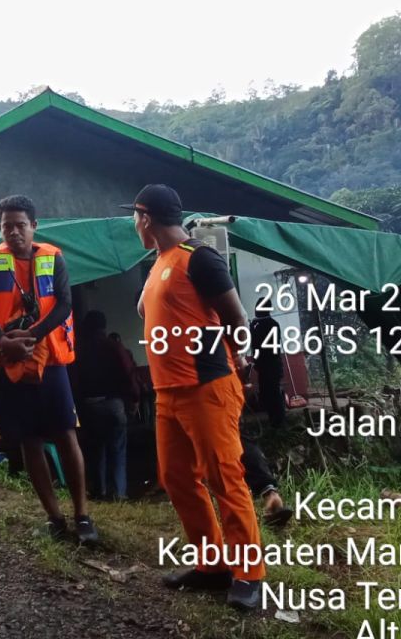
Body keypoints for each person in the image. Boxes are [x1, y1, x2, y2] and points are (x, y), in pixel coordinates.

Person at [124, 184, 264, 608]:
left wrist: (242, 362)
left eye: (135, 217)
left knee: (225, 478)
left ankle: (249, 574)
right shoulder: (157, 264)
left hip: (206, 388)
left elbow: (237, 317)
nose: (134, 224)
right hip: (167, 392)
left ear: (145, 218)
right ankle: (213, 564)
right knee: (177, 479)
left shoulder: (199, 258)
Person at [0, 195, 99, 544]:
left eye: (20, 225)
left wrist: (31, 335)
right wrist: (3, 342)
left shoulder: (53, 258)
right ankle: (54, 518)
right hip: (9, 360)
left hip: (49, 360)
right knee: (29, 439)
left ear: (34, 226)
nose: (13, 232)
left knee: (65, 432)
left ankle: (83, 515)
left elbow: (64, 303)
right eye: (6, 226)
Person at [74, 310, 135, 500]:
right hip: (113, 403)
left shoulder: (78, 350)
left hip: (89, 406)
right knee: (117, 448)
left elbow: (73, 380)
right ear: (104, 326)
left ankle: (99, 490)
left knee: (95, 449)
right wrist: (134, 399)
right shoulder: (113, 346)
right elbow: (128, 372)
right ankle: (119, 492)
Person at [247, 303, 286, 428]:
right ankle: (275, 422)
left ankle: (278, 423)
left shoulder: (263, 325)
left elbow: (256, 343)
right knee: (268, 392)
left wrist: (252, 328)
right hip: (269, 365)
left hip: (269, 365)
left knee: (272, 393)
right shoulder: (271, 324)